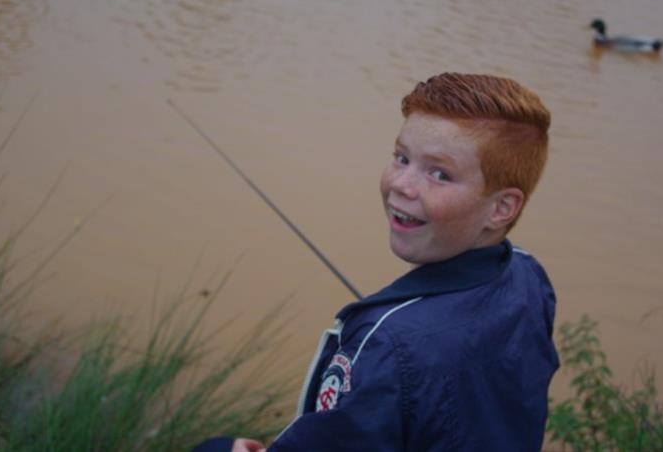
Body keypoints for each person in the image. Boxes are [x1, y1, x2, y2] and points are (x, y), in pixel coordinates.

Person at [194, 73, 559, 452]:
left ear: (501, 208)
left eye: (440, 174)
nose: (402, 184)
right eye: (402, 158)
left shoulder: (384, 344)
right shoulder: (529, 274)